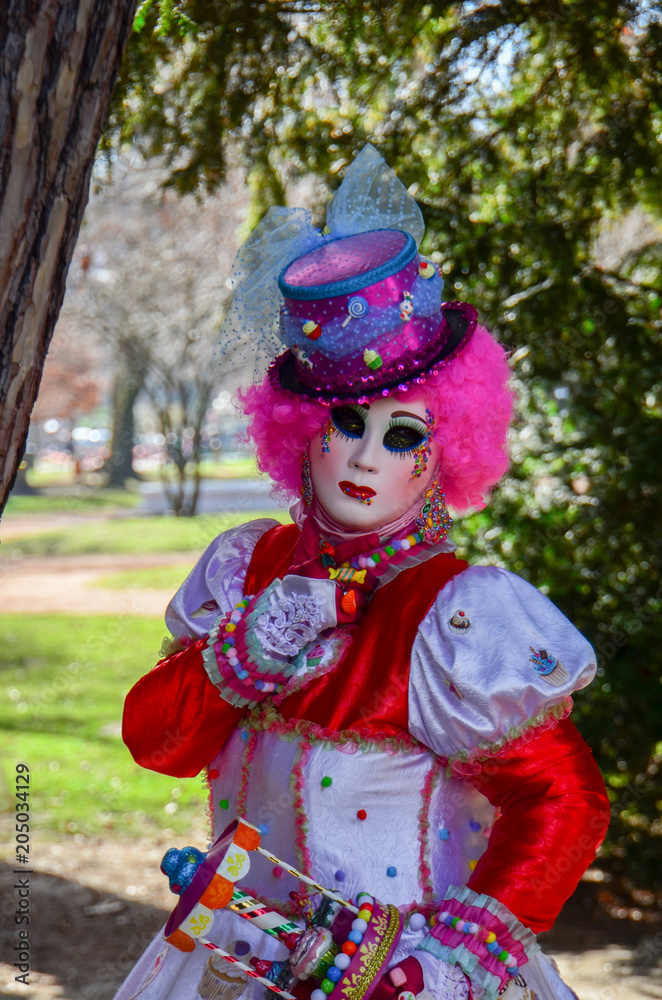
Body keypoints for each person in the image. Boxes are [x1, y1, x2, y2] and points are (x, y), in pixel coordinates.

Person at [115, 147, 610, 1000]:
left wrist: (454, 960)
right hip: (227, 963)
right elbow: (157, 743)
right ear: (300, 429)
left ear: (446, 448)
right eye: (344, 421)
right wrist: (238, 658)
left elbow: (564, 803)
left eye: (403, 433)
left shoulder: (458, 613)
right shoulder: (245, 568)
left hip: (397, 977)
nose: (365, 456)